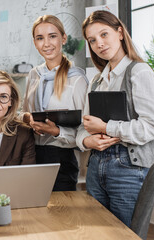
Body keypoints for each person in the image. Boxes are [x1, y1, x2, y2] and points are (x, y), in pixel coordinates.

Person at [76, 10, 154, 227]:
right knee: (96, 231)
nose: (99, 43)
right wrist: (88, 141)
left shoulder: (139, 72)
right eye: (92, 40)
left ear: (120, 33)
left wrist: (107, 127)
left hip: (128, 167)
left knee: (123, 232)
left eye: (104, 34)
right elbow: (84, 127)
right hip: (96, 166)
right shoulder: (96, 80)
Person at [22, 15, 89, 191]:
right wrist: (27, 118)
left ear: (63, 38)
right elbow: (24, 112)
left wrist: (56, 131)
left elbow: (86, 130)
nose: (46, 44)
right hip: (31, 156)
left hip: (61, 159)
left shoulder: (77, 79)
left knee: (61, 214)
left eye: (52, 36)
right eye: (40, 38)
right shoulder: (33, 75)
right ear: (35, 43)